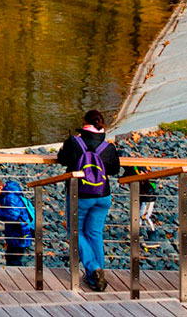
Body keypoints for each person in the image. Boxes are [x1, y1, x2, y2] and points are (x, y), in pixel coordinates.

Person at [57, 110, 123, 292]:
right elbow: (114, 169)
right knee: (95, 233)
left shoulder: (75, 142)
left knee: (75, 231)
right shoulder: (108, 147)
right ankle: (96, 278)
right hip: (103, 195)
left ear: (84, 122)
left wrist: (67, 144)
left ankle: (93, 269)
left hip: (80, 195)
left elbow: (62, 159)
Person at [0, 176, 35, 266]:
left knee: (14, 258)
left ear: (0, 187)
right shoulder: (7, 192)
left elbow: (12, 217)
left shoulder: (11, 198)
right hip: (16, 232)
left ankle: (16, 273)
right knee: (10, 256)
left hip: (19, 232)